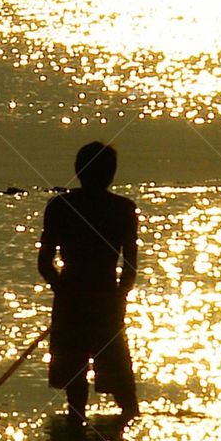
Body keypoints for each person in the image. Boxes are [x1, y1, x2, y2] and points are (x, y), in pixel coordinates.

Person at [38, 141, 139, 426]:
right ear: (111, 174)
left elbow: (45, 263)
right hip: (103, 296)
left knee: (80, 382)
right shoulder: (123, 209)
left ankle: (76, 436)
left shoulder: (60, 207)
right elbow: (130, 267)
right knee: (120, 383)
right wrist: (119, 296)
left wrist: (63, 291)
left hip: (78, 297)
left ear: (78, 171)